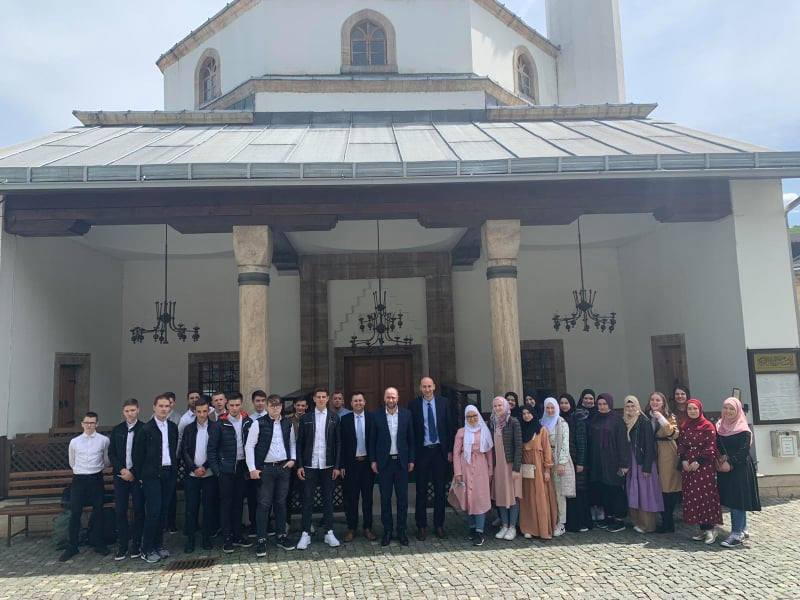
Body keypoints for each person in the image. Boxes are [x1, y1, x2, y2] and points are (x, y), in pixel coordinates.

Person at [245, 394, 297, 557]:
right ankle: (261, 539)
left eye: (278, 405)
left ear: (282, 407)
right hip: (265, 470)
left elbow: (292, 443)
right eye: (272, 405)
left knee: (281, 503)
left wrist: (293, 459)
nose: (275, 408)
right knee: (264, 504)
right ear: (267, 407)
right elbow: (249, 446)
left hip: (283, 468)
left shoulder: (287, 423)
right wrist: (252, 469)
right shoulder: (258, 423)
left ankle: (281, 536)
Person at [60, 411, 111, 562]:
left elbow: (106, 461)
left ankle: (98, 543)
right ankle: (72, 546)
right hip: (79, 479)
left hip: (96, 478)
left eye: (92, 422)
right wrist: (82, 471)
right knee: (75, 512)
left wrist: (95, 470)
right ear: (82, 424)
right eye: (87, 422)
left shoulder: (104, 440)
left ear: (97, 424)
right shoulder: (74, 442)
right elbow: (72, 462)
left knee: (98, 511)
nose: (89, 425)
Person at [134, 394, 179, 563]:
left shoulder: (172, 427)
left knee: (163, 511)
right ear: (154, 407)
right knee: (153, 512)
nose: (164, 409)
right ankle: (146, 548)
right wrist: (141, 477)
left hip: (168, 474)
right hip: (151, 476)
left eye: (167, 406)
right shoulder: (146, 429)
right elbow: (138, 455)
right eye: (161, 406)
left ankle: (158, 545)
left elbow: (173, 450)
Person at [409, 376, 455, 540]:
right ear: (420, 388)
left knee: (440, 490)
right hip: (422, 452)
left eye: (429, 386)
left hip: (439, 452)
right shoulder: (413, 405)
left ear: (434, 387)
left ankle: (439, 525)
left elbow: (450, 427)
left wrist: (449, 450)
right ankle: (421, 526)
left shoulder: (444, 403)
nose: (427, 389)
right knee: (421, 490)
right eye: (424, 387)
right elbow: (411, 432)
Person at [296, 388, 342, 550]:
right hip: (310, 465)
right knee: (307, 500)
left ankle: (329, 532)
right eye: (318, 397)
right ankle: (305, 533)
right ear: (314, 399)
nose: (321, 399)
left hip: (328, 466)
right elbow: (300, 443)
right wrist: (300, 465)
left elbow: (338, 443)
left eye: (324, 397)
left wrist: (337, 466)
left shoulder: (334, 418)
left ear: (327, 399)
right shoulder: (306, 418)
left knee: (328, 500)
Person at [370, 386, 415, 546]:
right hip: (385, 463)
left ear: (398, 398)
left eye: (393, 397)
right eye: (388, 397)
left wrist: (411, 459)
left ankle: (402, 531)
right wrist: (373, 460)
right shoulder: (376, 415)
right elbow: (372, 440)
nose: (391, 400)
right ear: (384, 398)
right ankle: (387, 531)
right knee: (385, 499)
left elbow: (411, 439)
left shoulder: (406, 414)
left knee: (402, 499)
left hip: (401, 463)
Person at [208, 391, 253, 553]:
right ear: (227, 405)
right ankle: (227, 538)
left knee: (238, 503)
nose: (234, 408)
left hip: (241, 468)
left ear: (241, 404)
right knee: (226, 504)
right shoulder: (219, 424)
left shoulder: (248, 422)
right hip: (225, 470)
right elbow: (211, 450)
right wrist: (217, 471)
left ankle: (237, 535)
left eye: (237, 405)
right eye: (231, 405)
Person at [715, 397, 760, 548]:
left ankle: (736, 534)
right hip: (724, 466)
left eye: (731, 409)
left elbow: (743, 450)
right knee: (733, 498)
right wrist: (721, 458)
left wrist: (730, 463)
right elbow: (718, 445)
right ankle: (743, 527)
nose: (728, 411)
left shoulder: (743, 429)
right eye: (725, 408)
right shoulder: (719, 426)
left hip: (740, 467)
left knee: (737, 499)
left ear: (738, 411)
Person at [677, 399, 722, 544]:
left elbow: (711, 447)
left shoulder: (708, 426)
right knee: (693, 495)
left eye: (695, 409)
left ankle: (711, 529)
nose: (692, 411)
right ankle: (703, 528)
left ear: (700, 409)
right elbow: (681, 444)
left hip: (704, 466)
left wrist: (699, 461)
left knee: (705, 496)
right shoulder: (685, 425)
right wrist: (684, 460)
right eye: (689, 409)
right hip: (689, 466)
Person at [108, 399, 145, 560]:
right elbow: (112, 453)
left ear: (138, 410)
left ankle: (136, 544)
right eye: (127, 411)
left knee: (139, 510)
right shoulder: (117, 430)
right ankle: (122, 545)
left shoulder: (144, 428)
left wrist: (133, 472)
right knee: (120, 510)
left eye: (132, 410)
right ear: (123, 412)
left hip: (137, 477)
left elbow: (145, 454)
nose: (130, 413)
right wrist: (122, 469)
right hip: (121, 476)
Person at [587, 393, 629, 533]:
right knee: (604, 489)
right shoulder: (595, 419)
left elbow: (622, 443)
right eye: (599, 404)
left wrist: (624, 464)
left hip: (613, 461)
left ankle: (619, 520)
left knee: (615, 490)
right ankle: (609, 517)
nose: (602, 407)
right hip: (598, 461)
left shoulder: (617, 420)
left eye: (605, 404)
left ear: (610, 404)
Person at [180, 397, 218, 553]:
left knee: (208, 507)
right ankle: (190, 540)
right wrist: (194, 468)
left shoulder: (215, 427)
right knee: (191, 507)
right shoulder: (188, 428)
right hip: (192, 475)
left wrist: (205, 466)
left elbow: (216, 450)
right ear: (194, 412)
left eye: (204, 411)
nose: (202, 414)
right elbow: (184, 451)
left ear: (209, 411)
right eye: (199, 411)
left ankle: (206, 538)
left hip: (209, 474)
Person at [452, 405, 493, 546]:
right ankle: (472, 528)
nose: (472, 419)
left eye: (474, 416)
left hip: (481, 466)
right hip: (465, 466)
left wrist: (490, 470)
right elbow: (456, 453)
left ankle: (479, 532)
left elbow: (489, 452)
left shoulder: (484, 431)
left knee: (479, 498)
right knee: (468, 498)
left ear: (478, 416)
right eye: (469, 417)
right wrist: (457, 472)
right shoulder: (461, 432)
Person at [623, 395, 663, 533]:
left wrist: (647, 467)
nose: (630, 409)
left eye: (633, 406)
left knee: (645, 493)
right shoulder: (625, 421)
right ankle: (637, 522)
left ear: (637, 406)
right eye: (627, 406)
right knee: (634, 492)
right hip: (631, 461)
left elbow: (649, 445)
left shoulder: (643, 421)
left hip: (642, 462)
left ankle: (648, 525)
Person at [340, 392, 377, 542]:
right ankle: (351, 528)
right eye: (355, 401)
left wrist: (375, 461)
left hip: (367, 464)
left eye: (360, 400)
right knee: (351, 498)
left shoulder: (372, 418)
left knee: (367, 498)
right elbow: (341, 444)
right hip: (351, 464)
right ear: (351, 403)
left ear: (364, 402)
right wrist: (341, 464)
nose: (358, 403)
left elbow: (375, 440)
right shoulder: (345, 420)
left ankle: (368, 528)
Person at [518, 404, 556, 540]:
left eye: (528, 413)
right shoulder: (521, 430)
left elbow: (547, 451)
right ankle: (528, 528)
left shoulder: (541, 430)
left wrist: (547, 470)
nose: (526, 416)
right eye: (523, 414)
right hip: (526, 468)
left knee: (540, 497)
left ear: (533, 414)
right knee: (527, 498)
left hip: (539, 468)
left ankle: (543, 529)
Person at [645, 391, 682, 533]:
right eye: (652, 400)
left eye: (658, 400)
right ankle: (663, 519)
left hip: (667, 452)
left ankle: (668, 521)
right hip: (652, 452)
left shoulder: (669, 416)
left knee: (668, 487)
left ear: (663, 403)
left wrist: (661, 418)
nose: (654, 402)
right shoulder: (646, 416)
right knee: (656, 486)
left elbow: (674, 433)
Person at [488, 396, 522, 540]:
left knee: (513, 496)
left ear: (506, 406)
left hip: (510, 465)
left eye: (500, 405)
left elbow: (518, 446)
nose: (497, 408)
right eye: (495, 406)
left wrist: (516, 468)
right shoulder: (492, 423)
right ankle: (504, 525)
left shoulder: (513, 422)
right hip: (499, 466)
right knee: (501, 495)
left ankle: (512, 527)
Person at [541, 397, 575, 537]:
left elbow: (565, 444)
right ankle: (550, 519)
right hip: (544, 460)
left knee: (559, 493)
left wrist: (561, 463)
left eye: (552, 408)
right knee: (547, 492)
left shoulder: (562, 423)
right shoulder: (541, 422)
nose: (550, 410)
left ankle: (561, 523)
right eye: (547, 408)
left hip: (557, 459)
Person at [560, 393, 591, 532]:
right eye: (562, 403)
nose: (564, 405)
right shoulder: (559, 419)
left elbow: (582, 442)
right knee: (567, 491)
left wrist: (581, 462)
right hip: (565, 461)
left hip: (576, 461)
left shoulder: (577, 419)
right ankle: (570, 522)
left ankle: (581, 522)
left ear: (571, 404)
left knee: (579, 492)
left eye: (566, 403)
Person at [244, 390, 269, 537]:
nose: (260, 403)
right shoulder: (248, 420)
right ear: (253, 402)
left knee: (267, 497)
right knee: (253, 496)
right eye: (257, 401)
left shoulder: (271, 418)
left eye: (262, 401)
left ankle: (267, 525)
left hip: (268, 464)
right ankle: (254, 525)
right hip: (253, 465)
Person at [577, 388, 602, 525]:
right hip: (583, 454)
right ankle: (590, 509)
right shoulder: (577, 414)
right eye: (586, 398)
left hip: (597, 454)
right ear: (582, 399)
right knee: (586, 483)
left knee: (598, 482)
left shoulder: (599, 414)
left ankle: (600, 508)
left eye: (591, 398)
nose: (588, 401)